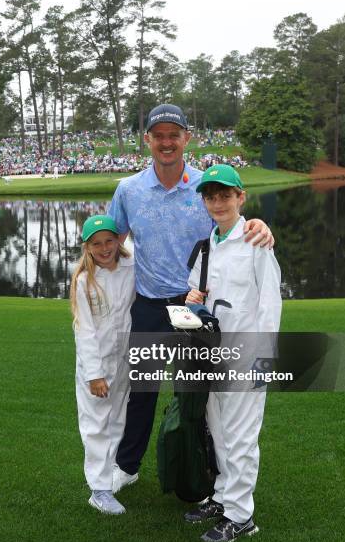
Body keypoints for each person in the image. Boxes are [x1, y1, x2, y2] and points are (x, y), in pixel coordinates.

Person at [108, 104, 274, 494]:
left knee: (200, 393)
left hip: (194, 308)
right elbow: (111, 240)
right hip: (149, 305)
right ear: (147, 139)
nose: (167, 142)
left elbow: (231, 222)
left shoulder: (205, 187)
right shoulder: (128, 189)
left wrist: (259, 224)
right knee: (142, 392)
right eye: (159, 135)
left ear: (187, 138)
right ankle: (127, 466)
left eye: (174, 135)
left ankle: (211, 470)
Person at [184, 164, 282, 542]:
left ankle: (241, 517)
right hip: (213, 356)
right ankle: (224, 496)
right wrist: (192, 300)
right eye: (211, 195)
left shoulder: (257, 242)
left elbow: (271, 305)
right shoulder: (207, 247)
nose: (218, 201)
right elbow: (196, 297)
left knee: (242, 437)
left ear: (241, 197)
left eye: (226, 194)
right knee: (220, 434)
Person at [70, 214, 135, 515]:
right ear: (88, 247)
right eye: (97, 243)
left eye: (110, 240)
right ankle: (98, 489)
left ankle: (110, 475)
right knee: (96, 425)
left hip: (124, 362)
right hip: (95, 367)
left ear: (118, 240)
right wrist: (94, 374)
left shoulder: (131, 267)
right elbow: (84, 331)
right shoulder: (84, 281)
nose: (105, 248)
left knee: (117, 420)